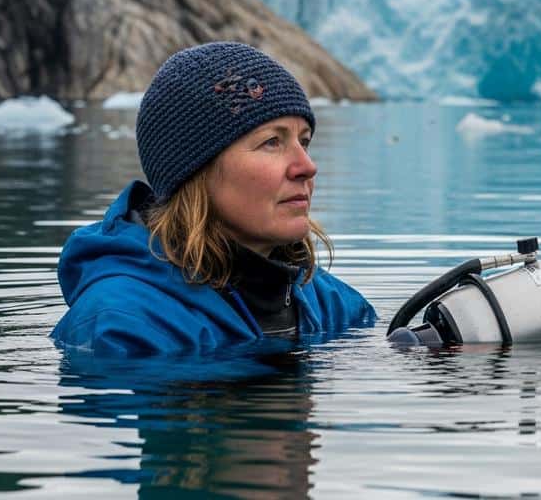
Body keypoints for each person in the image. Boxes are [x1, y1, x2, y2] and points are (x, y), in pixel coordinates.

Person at [51, 41, 376, 356]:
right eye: (272, 142)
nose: (307, 166)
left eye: (304, 142)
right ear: (195, 170)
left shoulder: (333, 305)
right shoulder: (122, 327)